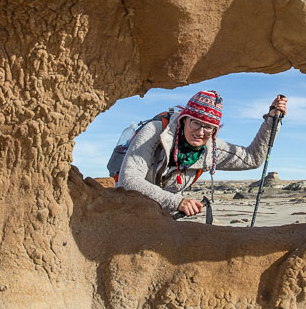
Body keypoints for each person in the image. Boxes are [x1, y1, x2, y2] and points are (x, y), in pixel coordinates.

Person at [116, 90, 288, 216]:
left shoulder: (210, 150)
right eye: (195, 123)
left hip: (162, 216)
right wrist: (177, 202)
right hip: (130, 210)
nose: (201, 132)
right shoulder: (154, 132)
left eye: (209, 127)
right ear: (184, 119)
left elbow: (253, 158)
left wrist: (272, 120)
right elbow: (128, 180)